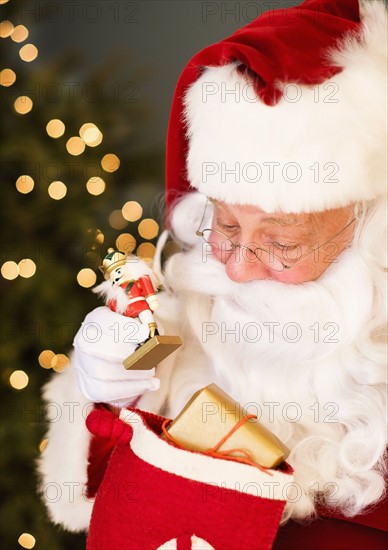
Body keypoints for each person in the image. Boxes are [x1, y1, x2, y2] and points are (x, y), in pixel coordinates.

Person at [39, 0, 387, 548]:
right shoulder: (186, 322)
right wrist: (108, 398)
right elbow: (107, 501)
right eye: (224, 225)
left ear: (371, 236)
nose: (240, 268)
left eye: (281, 244)